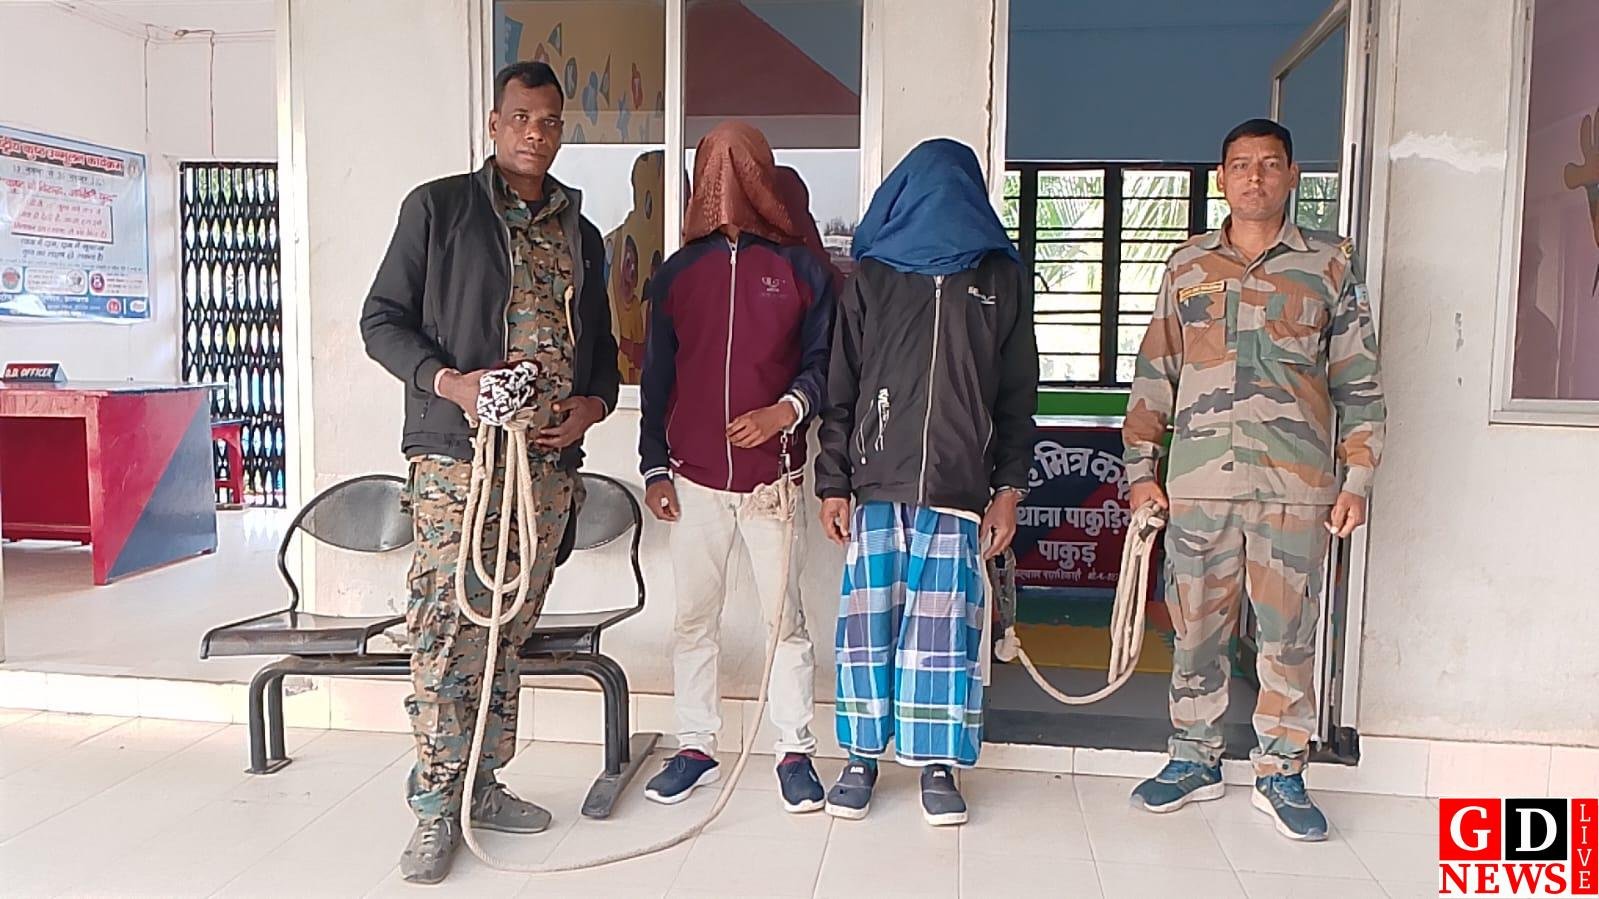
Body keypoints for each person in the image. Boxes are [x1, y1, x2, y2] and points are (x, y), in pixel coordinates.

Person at [360, 60, 619, 883]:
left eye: (549, 121)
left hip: (545, 469)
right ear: (494, 123)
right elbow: (381, 321)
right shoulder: (439, 208)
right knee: (448, 625)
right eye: (521, 118)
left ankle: (483, 781)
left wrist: (592, 406)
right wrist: (453, 383)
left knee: (507, 628)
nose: (535, 133)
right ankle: (435, 806)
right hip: (458, 461)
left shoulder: (581, 234)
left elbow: (601, 352)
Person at [1122, 118, 1385, 841]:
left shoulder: (1328, 267)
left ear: (1293, 175)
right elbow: (1154, 376)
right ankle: (1193, 758)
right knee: (1195, 633)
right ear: (1221, 178)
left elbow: (1359, 384)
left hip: (1295, 490)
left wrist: (1357, 478)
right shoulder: (1186, 267)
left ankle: (1281, 771)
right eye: (1241, 165)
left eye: (1270, 164)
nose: (1255, 177)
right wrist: (1141, 472)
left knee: (1287, 639)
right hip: (1199, 487)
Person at [815, 138, 1037, 827]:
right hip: (877, 485)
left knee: (941, 636)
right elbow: (840, 388)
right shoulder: (874, 277)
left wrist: (1007, 490)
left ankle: (937, 762)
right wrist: (832, 483)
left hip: (958, 489)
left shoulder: (999, 278)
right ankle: (860, 757)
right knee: (867, 628)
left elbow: (1017, 397)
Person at [637, 121, 838, 812]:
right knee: (694, 618)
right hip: (692, 478)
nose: (727, 179)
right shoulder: (677, 274)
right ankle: (695, 745)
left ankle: (793, 750)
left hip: (772, 478)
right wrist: (654, 467)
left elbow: (826, 362)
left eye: (739, 163)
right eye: (714, 164)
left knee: (786, 622)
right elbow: (657, 377)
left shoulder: (801, 270)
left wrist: (786, 410)